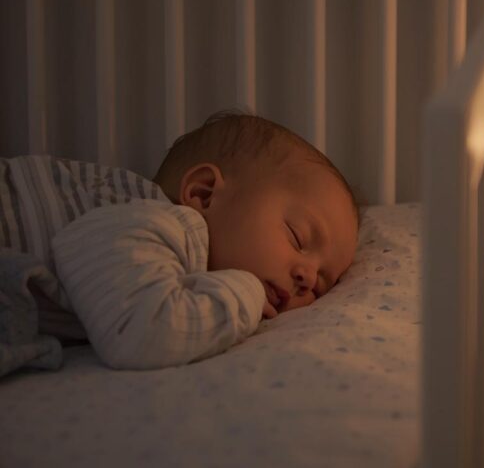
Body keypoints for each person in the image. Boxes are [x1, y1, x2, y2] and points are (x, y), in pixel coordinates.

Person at [0, 111, 359, 370]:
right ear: (203, 195)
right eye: (297, 238)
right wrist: (244, 293)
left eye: (322, 285)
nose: (307, 278)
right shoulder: (158, 220)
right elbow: (139, 333)